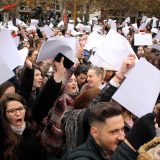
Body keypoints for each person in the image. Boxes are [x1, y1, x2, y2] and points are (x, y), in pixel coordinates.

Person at [66, 102, 156, 160]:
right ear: (95, 133)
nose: (122, 137)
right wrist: (129, 146)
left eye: (122, 129)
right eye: (114, 132)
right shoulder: (80, 157)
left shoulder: (116, 145)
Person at [0, 93, 47, 160]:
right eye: (12, 111)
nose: (18, 114)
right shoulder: (3, 135)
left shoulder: (32, 127)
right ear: (4, 114)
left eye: (21, 108)